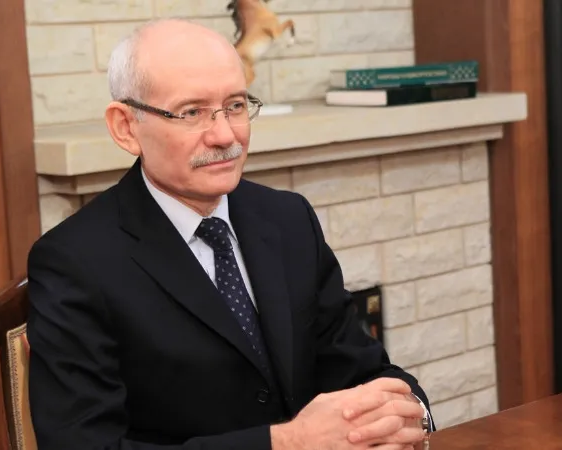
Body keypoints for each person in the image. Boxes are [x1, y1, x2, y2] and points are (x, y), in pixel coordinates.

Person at [26, 18, 433, 450]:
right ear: (126, 127)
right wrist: (287, 442)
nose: (225, 136)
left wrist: (409, 413)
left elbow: (360, 368)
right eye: (191, 112)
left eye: (235, 105)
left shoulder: (288, 219)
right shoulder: (74, 261)